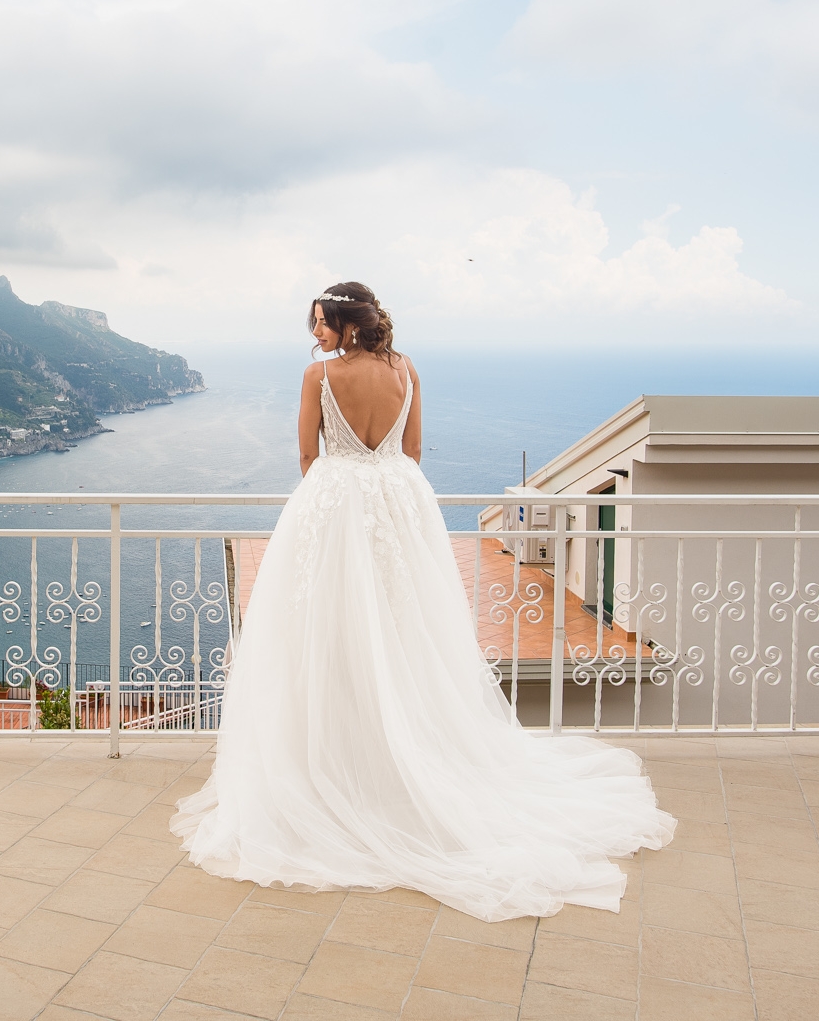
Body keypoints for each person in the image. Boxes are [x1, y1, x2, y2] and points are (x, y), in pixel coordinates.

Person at [170, 282, 675, 921]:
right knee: (406, 633)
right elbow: (411, 451)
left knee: (328, 633)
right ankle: (404, 763)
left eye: (321, 323)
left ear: (348, 325)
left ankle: (334, 773)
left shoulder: (318, 376)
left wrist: (342, 489)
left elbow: (307, 455)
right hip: (400, 507)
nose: (315, 334)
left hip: (337, 508)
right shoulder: (407, 370)